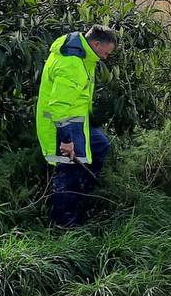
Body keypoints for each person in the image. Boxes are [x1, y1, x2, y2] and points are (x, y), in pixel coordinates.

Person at [35, 25, 118, 227]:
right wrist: (66, 141)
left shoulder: (82, 53)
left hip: (77, 122)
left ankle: (85, 194)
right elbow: (58, 107)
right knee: (67, 174)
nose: (106, 57)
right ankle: (64, 225)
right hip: (61, 126)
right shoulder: (72, 64)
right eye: (106, 53)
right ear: (96, 44)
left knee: (100, 146)